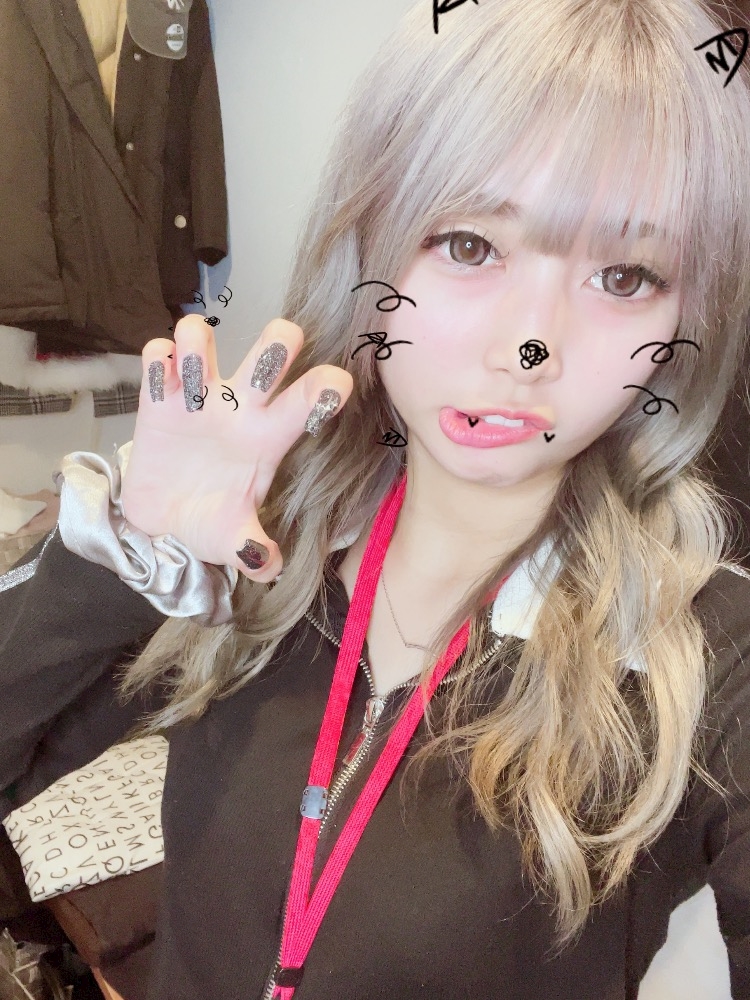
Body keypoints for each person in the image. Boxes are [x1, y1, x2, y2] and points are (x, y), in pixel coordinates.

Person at [2, 0, 750, 997]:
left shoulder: (703, 652)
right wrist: (124, 552)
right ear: (372, 244)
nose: (529, 348)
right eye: (470, 246)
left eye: (625, 275)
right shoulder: (253, 549)